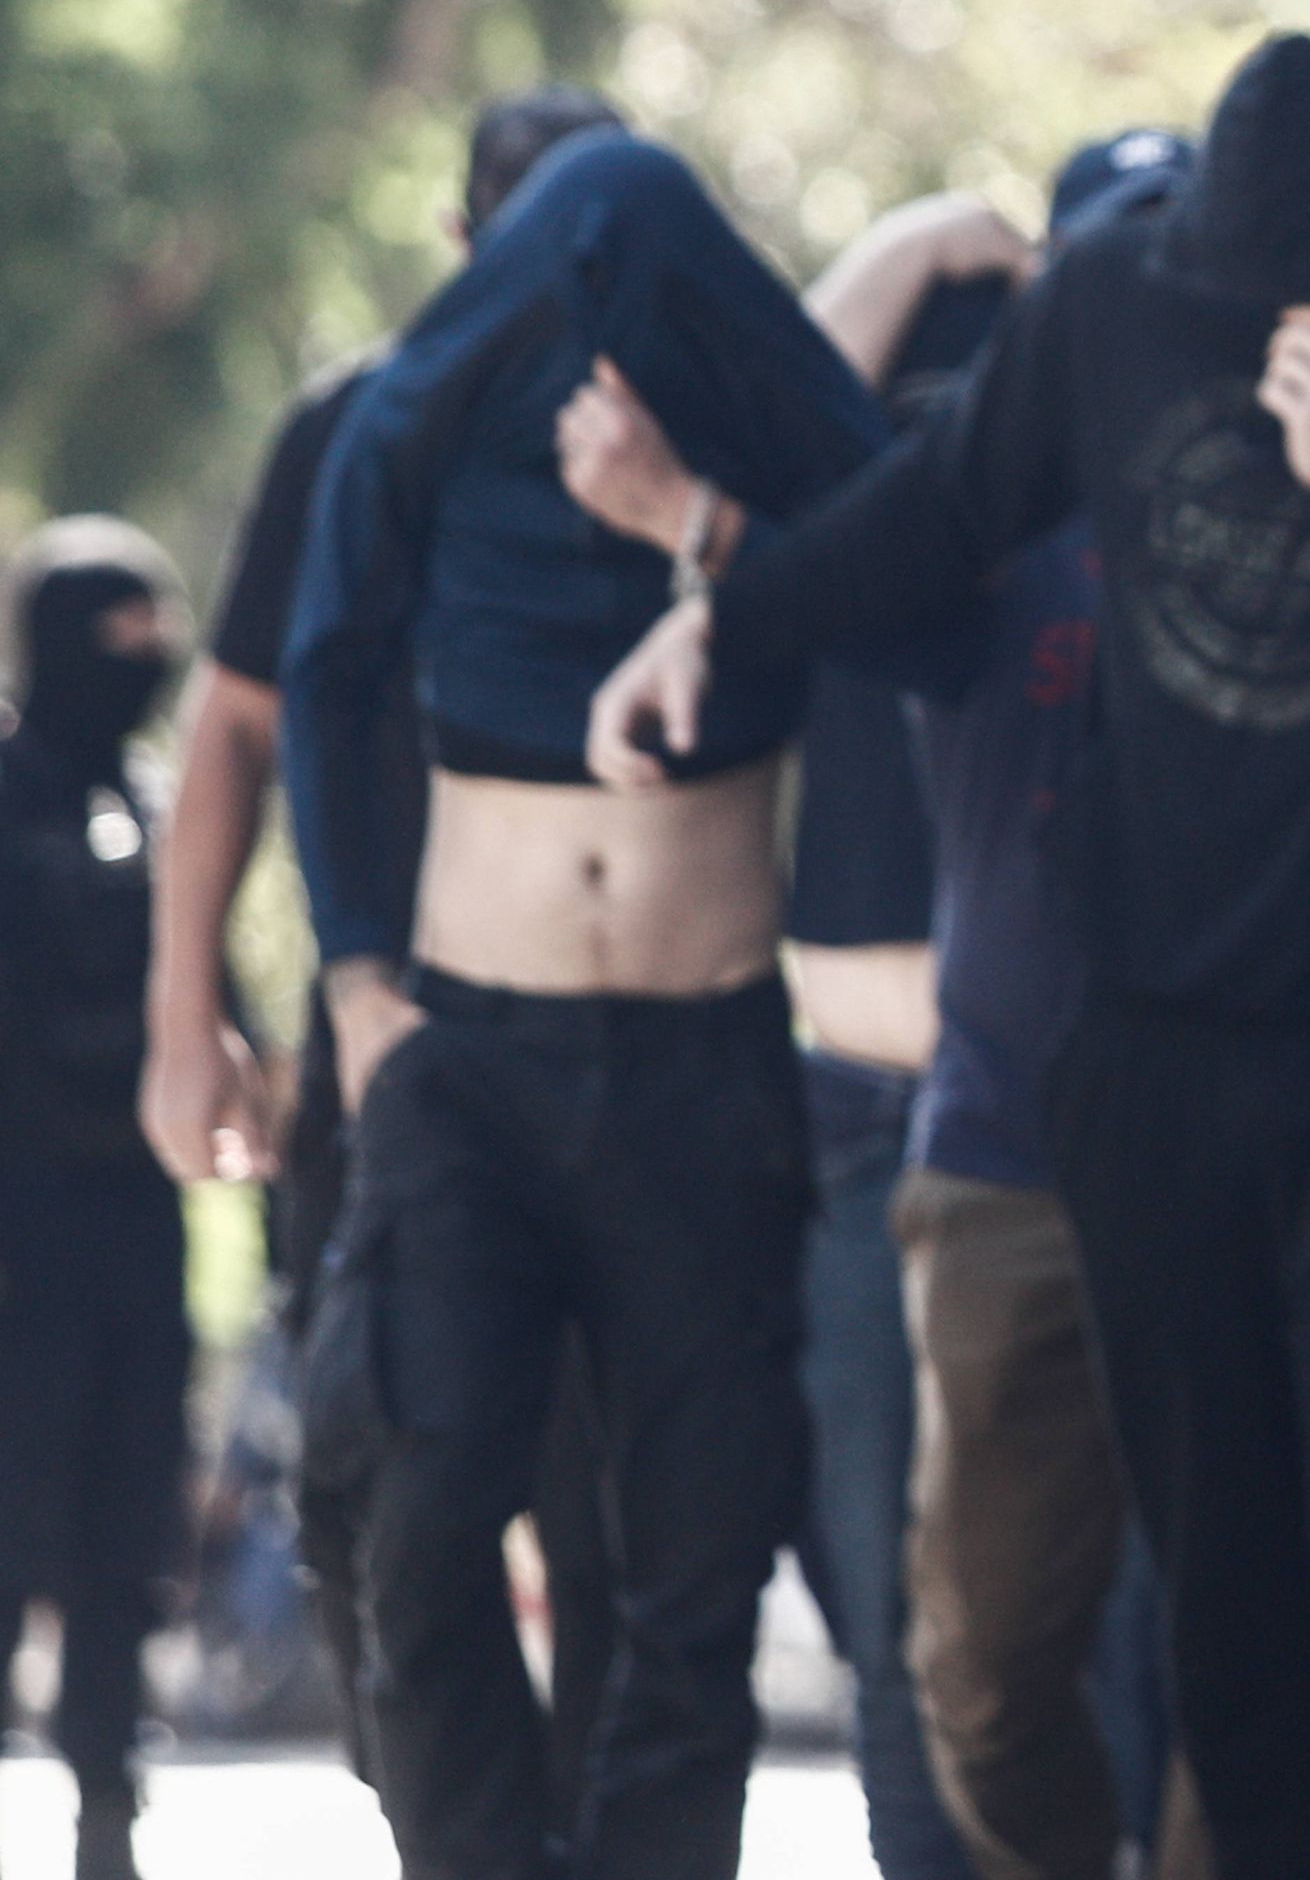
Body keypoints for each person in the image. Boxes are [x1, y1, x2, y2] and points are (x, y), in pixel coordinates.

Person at [588, 35, 1310, 1880]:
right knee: (1225, 1596)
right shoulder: (1115, 297)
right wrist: (724, 619)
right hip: (1163, 1060)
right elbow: (933, 516)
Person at [563, 139, 1208, 1880]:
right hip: (887, 1133)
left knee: (1161, 1654)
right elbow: (768, 425)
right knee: (924, 1658)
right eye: (1087, 265)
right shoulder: (921, 481)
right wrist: (930, 232)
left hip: (1144, 1139)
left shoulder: (1226, 503)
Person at [283, 115, 894, 1880]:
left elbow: (920, 574)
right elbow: (318, 676)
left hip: (704, 1054)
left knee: (693, 1565)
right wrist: (359, 987)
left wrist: (685, 521)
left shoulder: (760, 433)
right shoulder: (411, 414)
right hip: (471, 1050)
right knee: (422, 1503)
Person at [141, 86, 630, 1811]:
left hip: (632, 1047)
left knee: (617, 1521)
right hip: (392, 1051)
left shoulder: (685, 417)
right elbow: (234, 726)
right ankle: (456, 1832)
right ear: (463, 244)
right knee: (382, 1494)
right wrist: (187, 1014)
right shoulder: (362, 425)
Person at [0, 522, 192, 1880]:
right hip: (13, 1237)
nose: (145, 662)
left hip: (133, 1223)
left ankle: (106, 1816)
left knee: (125, 1541)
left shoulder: (165, 800)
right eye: (116, 634)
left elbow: (203, 1010)